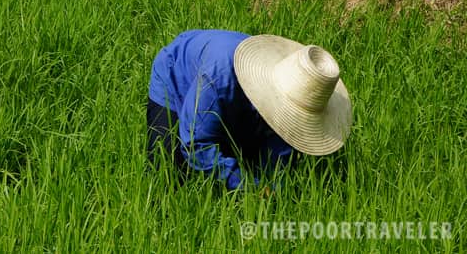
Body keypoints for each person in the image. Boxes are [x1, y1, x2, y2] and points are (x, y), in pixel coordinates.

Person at [146, 29, 352, 190]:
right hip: (176, 75)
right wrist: (250, 188)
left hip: (228, 88)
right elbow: (195, 144)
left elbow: (278, 158)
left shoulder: (297, 86)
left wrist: (272, 188)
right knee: (168, 173)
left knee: (247, 152)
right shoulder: (220, 78)